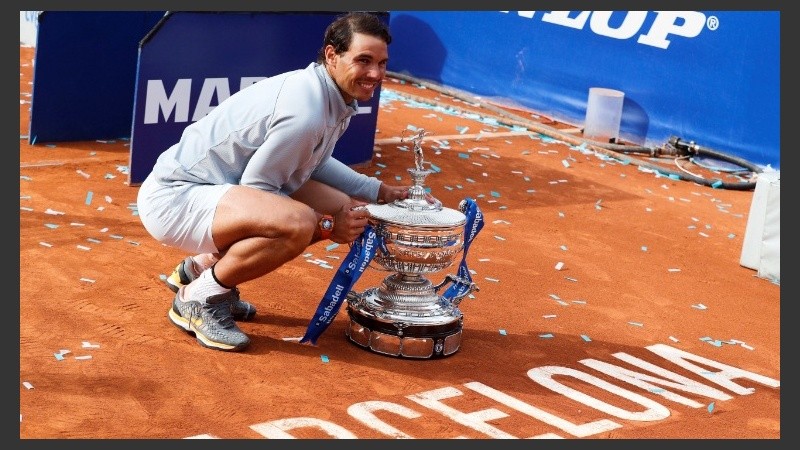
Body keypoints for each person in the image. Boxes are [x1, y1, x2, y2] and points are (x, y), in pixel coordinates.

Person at [136, 12, 409, 352]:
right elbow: (258, 190)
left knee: (345, 208)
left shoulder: (328, 93)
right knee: (297, 223)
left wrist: (377, 192)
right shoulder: (307, 113)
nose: (375, 74)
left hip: (212, 190)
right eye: (364, 61)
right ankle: (198, 298)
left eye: (382, 64)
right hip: (176, 199)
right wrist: (326, 228)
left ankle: (199, 269)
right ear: (331, 55)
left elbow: (314, 162)